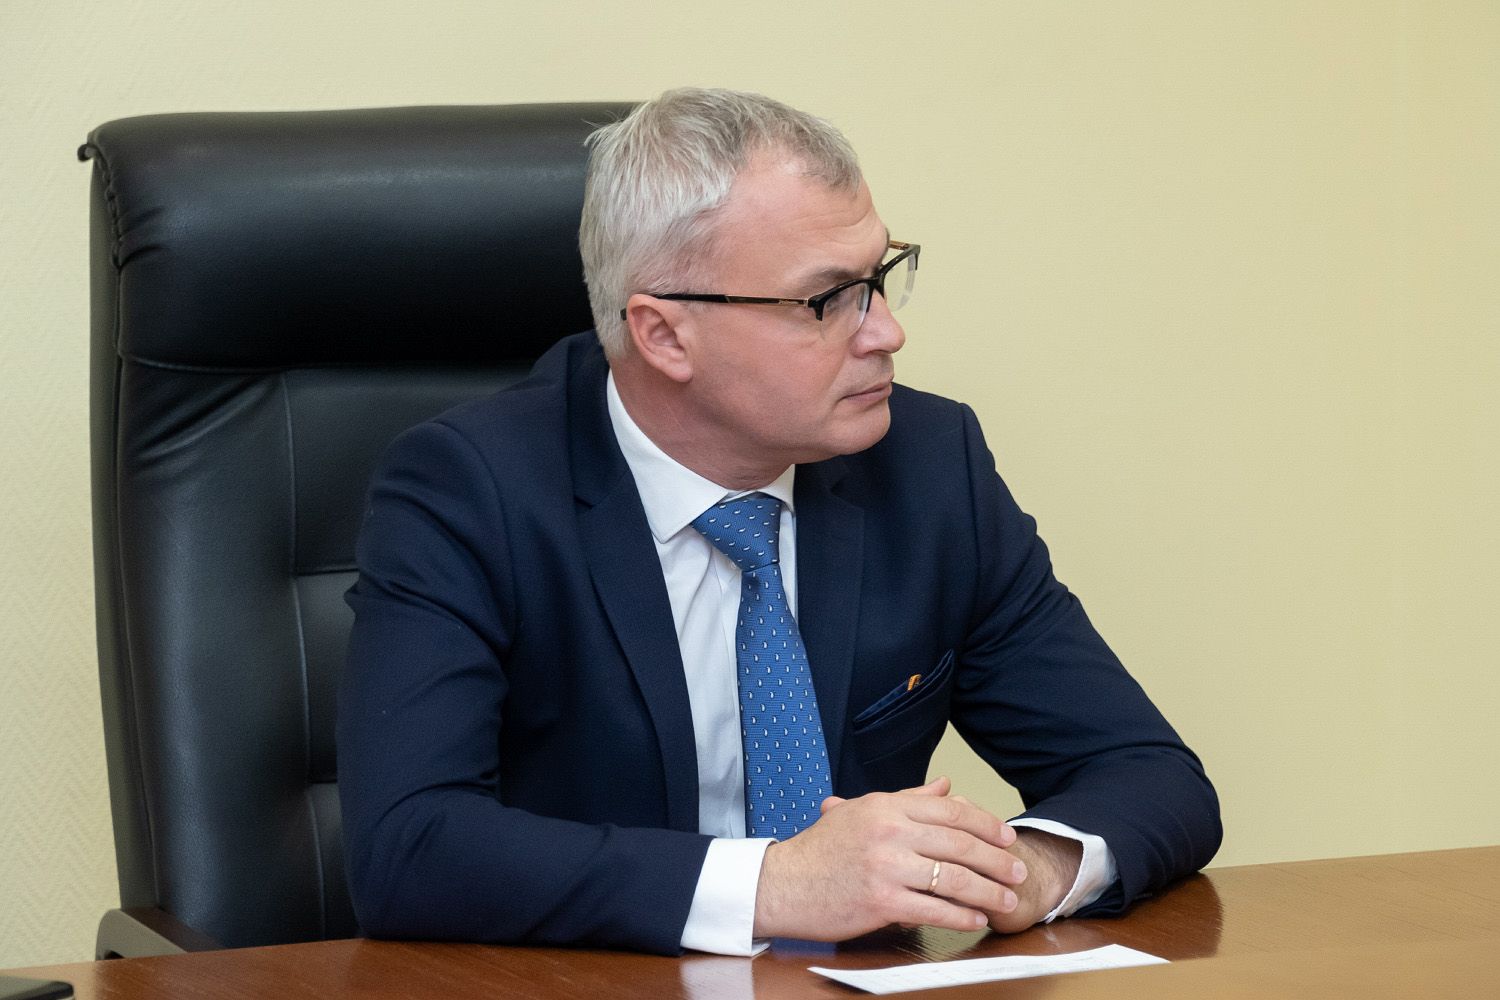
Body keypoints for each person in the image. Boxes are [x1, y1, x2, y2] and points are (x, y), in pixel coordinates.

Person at [337, 87, 1220, 957]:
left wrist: (1025, 869)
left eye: (881, 277)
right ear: (664, 335)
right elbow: (410, 847)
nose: (886, 333)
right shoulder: (469, 491)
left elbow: (1150, 774)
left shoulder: (927, 465)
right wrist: (777, 884)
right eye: (827, 300)